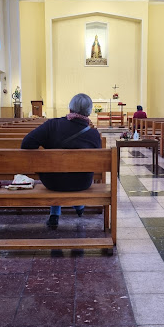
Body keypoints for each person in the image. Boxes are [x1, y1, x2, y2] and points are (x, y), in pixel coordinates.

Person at [21, 93, 101, 228]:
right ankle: (79, 206)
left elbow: (26, 144)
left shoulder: (52, 125)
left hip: (52, 182)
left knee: (57, 172)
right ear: (89, 111)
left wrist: (46, 158)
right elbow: (96, 163)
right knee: (70, 176)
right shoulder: (93, 135)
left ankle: (55, 214)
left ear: (70, 108)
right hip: (81, 183)